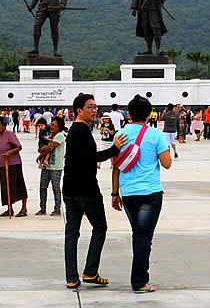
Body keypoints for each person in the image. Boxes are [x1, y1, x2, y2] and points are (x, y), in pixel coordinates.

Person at [62, 93, 128, 289]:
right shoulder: (81, 130)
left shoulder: (76, 130)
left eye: (95, 106)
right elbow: (90, 157)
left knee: (72, 233)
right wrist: (115, 149)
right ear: (79, 110)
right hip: (86, 190)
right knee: (100, 228)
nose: (94, 110)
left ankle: (72, 277)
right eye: (90, 107)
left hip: (70, 189)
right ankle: (90, 272)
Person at [111, 95, 171, 293]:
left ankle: (140, 278)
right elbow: (167, 163)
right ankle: (139, 281)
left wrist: (114, 193)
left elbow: (116, 166)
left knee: (139, 234)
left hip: (128, 193)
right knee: (144, 237)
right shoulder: (155, 135)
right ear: (149, 113)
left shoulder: (120, 134)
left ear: (129, 113)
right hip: (150, 193)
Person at [0, 116, 28, 217]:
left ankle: (24, 208)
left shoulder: (10, 134)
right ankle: (10, 208)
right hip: (2, 165)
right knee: (5, 187)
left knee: (18, 185)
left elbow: (19, 147)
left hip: (14, 164)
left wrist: (9, 153)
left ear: (4, 125)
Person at [36, 117, 66, 216]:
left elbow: (49, 147)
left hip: (55, 167)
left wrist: (41, 152)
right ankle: (42, 208)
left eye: (54, 125)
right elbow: (43, 149)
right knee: (42, 187)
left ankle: (57, 209)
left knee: (56, 188)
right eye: (51, 124)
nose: (51, 126)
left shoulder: (60, 135)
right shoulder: (50, 134)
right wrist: (41, 153)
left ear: (59, 127)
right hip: (46, 166)